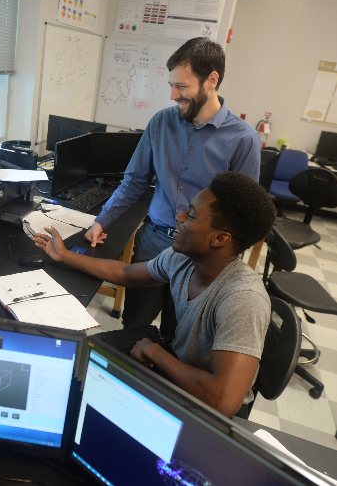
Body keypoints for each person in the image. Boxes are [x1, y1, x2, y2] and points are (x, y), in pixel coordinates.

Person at [32, 172, 276, 418]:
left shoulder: (243, 299)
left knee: (92, 399)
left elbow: (223, 401)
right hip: (180, 366)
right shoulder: (182, 258)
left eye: (190, 215)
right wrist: (65, 255)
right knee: (83, 359)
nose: (178, 218)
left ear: (220, 239)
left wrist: (154, 352)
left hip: (209, 408)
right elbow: (127, 273)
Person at [85, 37, 261, 332]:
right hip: (154, 242)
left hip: (202, 256)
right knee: (134, 325)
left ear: (211, 80)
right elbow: (134, 181)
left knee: (178, 334)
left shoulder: (243, 139)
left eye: (182, 86)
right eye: (171, 85)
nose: (173, 95)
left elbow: (242, 216)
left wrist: (224, 270)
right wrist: (102, 221)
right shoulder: (160, 123)